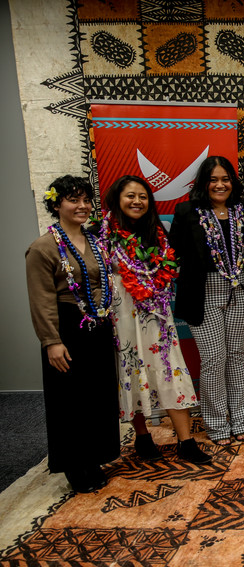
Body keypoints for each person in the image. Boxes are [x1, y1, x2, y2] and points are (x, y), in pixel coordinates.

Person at [103, 175, 211, 462]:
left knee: (169, 370)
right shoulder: (102, 234)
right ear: (116, 199)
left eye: (142, 196)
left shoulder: (157, 234)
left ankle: (186, 442)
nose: (137, 201)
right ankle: (142, 438)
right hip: (123, 316)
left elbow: (167, 268)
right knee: (132, 370)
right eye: (130, 196)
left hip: (157, 315)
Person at [25, 176, 120, 493]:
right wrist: (51, 341)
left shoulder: (94, 240)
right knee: (70, 399)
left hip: (98, 324)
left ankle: (95, 456)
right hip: (67, 327)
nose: (82, 207)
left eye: (86, 200)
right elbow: (41, 299)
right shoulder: (42, 248)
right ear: (56, 205)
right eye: (73, 200)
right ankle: (75, 465)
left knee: (97, 393)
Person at [171, 157, 244, 446]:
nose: (220, 185)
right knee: (212, 359)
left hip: (239, 290)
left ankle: (242, 420)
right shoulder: (186, 211)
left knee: (235, 357)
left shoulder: (242, 209)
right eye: (213, 179)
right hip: (204, 294)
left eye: (225, 179)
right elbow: (175, 253)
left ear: (232, 181)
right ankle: (218, 425)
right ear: (203, 183)